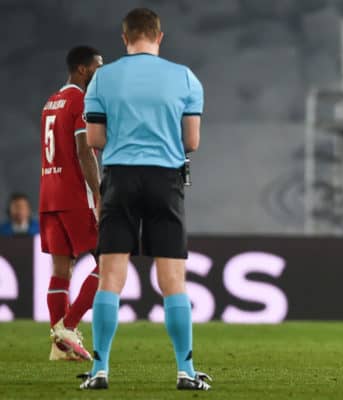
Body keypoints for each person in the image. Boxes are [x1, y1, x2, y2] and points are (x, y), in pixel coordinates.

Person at [79, 8, 209, 391]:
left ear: (124, 38)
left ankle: (98, 370)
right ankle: (186, 371)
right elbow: (192, 142)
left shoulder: (102, 78)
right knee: (173, 280)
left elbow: (94, 140)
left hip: (119, 177)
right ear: (159, 37)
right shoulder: (184, 77)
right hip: (164, 180)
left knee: (111, 276)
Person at [38, 46, 103, 361]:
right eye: (96, 67)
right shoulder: (79, 100)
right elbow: (84, 150)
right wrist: (99, 192)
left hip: (49, 194)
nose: (99, 72)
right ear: (81, 69)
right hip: (74, 196)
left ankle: (59, 346)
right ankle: (68, 326)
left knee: (61, 268)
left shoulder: (51, 101)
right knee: (110, 262)